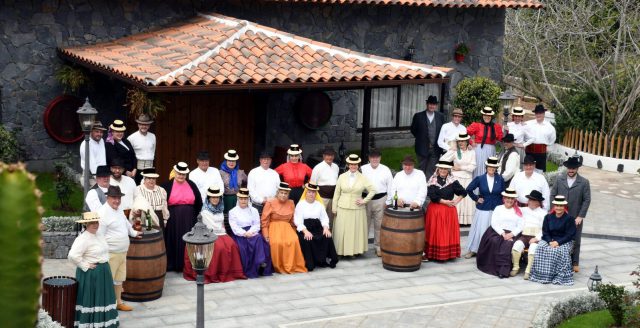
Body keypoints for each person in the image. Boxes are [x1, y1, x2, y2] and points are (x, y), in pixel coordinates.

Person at [183, 187, 246, 283]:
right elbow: (209, 227)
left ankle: (231, 272)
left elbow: (221, 224)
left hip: (221, 232)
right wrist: (220, 232)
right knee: (219, 247)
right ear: (208, 198)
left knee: (232, 245)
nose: (215, 199)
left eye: (217, 197)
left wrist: (224, 232)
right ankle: (214, 274)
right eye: (213, 197)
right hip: (209, 234)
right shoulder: (204, 211)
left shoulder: (220, 209)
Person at [68, 212, 119, 327]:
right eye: (92, 222)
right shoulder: (83, 239)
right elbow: (72, 256)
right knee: (91, 299)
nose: (95, 224)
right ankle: (91, 323)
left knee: (103, 297)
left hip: (104, 272)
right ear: (86, 224)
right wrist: (85, 265)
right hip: (91, 274)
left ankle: (104, 322)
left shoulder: (99, 234)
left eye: (96, 222)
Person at [96, 186, 142, 311]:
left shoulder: (118, 210)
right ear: (107, 197)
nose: (117, 200)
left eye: (118, 198)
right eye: (114, 198)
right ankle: (106, 306)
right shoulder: (102, 213)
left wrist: (133, 233)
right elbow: (99, 236)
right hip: (110, 254)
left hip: (122, 253)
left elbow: (126, 224)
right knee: (107, 281)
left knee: (119, 280)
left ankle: (118, 302)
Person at [550, 156, 591, 273]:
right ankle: (560, 260)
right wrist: (554, 210)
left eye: (573, 168)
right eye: (569, 168)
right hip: (560, 215)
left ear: (577, 169)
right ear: (566, 168)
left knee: (576, 239)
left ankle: (575, 262)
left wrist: (580, 216)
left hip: (575, 216)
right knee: (559, 237)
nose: (571, 170)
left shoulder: (584, 182)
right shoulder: (559, 179)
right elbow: (552, 195)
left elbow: (587, 200)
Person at [161, 162, 203, 272]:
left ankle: (187, 265)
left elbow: (199, 201)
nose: (181, 176)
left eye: (183, 174)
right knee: (173, 240)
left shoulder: (192, 184)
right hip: (173, 219)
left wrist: (194, 215)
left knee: (188, 241)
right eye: (179, 174)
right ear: (175, 173)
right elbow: (162, 203)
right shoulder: (166, 186)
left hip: (189, 218)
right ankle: (173, 264)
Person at [331, 154, 376, 256]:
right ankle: (340, 251)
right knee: (342, 230)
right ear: (348, 165)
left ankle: (355, 251)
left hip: (357, 209)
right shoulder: (342, 177)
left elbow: (373, 190)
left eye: (355, 164)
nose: (353, 166)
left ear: (358, 165)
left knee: (354, 231)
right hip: (342, 207)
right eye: (351, 164)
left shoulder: (363, 178)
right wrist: (334, 207)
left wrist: (364, 200)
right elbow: (337, 193)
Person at [424, 160, 468, 261]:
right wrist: (444, 202)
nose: (443, 170)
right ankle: (433, 254)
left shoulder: (452, 181)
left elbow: (463, 192)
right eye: (441, 168)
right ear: (438, 169)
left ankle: (447, 255)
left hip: (448, 212)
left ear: (448, 170)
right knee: (435, 232)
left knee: (446, 232)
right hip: (435, 210)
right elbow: (432, 195)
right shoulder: (432, 180)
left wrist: (456, 201)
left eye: (445, 169)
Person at [529, 195, 577, 285]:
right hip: (550, 239)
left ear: (564, 207)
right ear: (554, 206)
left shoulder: (569, 219)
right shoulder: (548, 217)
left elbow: (570, 235)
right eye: (557, 205)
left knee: (558, 251)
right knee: (540, 248)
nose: (559, 208)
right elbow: (545, 232)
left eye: (561, 206)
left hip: (564, 241)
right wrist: (550, 241)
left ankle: (558, 276)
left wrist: (558, 242)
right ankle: (543, 276)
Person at [476, 188, 523, 278]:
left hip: (512, 233)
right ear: (504, 198)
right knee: (494, 242)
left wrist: (511, 234)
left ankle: (503, 270)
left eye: (512, 199)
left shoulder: (518, 210)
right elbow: (494, 223)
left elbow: (521, 225)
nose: (509, 200)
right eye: (507, 198)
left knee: (507, 244)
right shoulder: (498, 208)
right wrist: (502, 233)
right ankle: (493, 267)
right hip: (497, 231)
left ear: (514, 200)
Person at [261, 182, 307, 274]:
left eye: (285, 193)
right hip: (274, 226)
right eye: (281, 193)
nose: (283, 195)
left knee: (294, 240)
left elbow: (293, 220)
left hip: (287, 227)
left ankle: (292, 265)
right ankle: (278, 266)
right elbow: (264, 220)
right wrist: (265, 234)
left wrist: (294, 231)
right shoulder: (270, 202)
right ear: (277, 193)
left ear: (288, 195)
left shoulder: (291, 203)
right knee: (276, 243)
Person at [464, 157, 504, 259]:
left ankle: (491, 251)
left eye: (494, 167)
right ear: (486, 167)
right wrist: (476, 198)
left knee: (494, 230)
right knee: (479, 230)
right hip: (483, 209)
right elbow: (469, 189)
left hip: (496, 209)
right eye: (490, 166)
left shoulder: (500, 179)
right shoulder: (480, 178)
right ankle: (474, 250)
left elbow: (503, 193)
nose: (492, 168)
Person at [229, 188, 273, 278]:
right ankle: (259, 261)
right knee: (243, 247)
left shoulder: (254, 210)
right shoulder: (232, 212)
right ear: (238, 199)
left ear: (248, 199)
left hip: (252, 231)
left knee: (259, 239)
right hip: (239, 234)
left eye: (245, 199)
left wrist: (250, 232)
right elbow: (234, 227)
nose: (243, 201)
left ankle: (261, 262)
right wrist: (244, 233)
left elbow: (257, 224)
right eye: (241, 199)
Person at [294, 182, 339, 271]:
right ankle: (311, 262)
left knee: (327, 236)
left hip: (318, 227)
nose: (311, 194)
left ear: (316, 194)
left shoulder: (319, 204)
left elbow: (324, 218)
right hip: (305, 228)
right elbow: (298, 221)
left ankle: (323, 260)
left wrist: (326, 228)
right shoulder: (300, 204)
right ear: (306, 193)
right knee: (307, 239)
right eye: (309, 192)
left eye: (314, 192)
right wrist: (305, 231)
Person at [360, 148, 394, 257]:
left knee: (379, 225)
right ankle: (362, 247)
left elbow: (391, 186)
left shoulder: (385, 169)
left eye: (377, 157)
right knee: (364, 224)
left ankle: (378, 246)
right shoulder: (362, 169)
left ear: (380, 158)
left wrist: (388, 201)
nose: (375, 159)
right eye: (372, 157)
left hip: (381, 200)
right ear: (369, 158)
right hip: (365, 200)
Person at [440, 133, 476, 225]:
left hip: (467, 178)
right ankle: (456, 220)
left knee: (467, 198)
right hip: (456, 178)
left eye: (463, 141)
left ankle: (467, 221)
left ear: (467, 142)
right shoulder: (455, 151)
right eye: (459, 141)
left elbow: (472, 167)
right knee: (457, 198)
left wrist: (460, 168)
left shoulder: (472, 152)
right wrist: (451, 150)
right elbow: (442, 160)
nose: (461, 143)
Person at [511, 190, 546, 279]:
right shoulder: (523, 210)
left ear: (539, 202)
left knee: (533, 249)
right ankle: (516, 267)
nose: (531, 202)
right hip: (524, 235)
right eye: (530, 200)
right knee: (516, 246)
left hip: (535, 236)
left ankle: (528, 270)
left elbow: (544, 229)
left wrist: (537, 238)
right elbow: (513, 208)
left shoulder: (543, 213)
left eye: (534, 200)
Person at [410, 95, 445, 177]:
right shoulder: (418, 116)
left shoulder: (440, 116)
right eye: (430, 104)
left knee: (432, 169)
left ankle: (428, 187)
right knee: (421, 169)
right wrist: (421, 139)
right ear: (427, 104)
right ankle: (420, 186)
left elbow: (443, 131)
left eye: (434, 104)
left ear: (436, 106)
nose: (432, 106)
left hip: (436, 148)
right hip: (422, 147)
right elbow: (413, 130)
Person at [466, 107, 504, 178]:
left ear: (491, 117)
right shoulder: (476, 125)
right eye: (485, 115)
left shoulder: (496, 127)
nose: (487, 117)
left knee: (490, 168)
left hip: (491, 150)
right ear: (482, 115)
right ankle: (476, 188)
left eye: (489, 116)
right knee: (478, 168)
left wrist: (506, 130)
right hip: (479, 150)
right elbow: (465, 133)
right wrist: (470, 142)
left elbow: (501, 138)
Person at [310, 146, 339, 226]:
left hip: (333, 198)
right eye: (327, 155)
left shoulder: (336, 167)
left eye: (331, 155)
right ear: (323, 156)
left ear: (334, 156)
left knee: (332, 218)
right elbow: (312, 183)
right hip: (321, 197)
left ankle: (330, 236)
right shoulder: (317, 168)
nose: (329, 157)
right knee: (320, 217)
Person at [523, 104, 556, 172]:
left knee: (540, 173)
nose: (538, 115)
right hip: (529, 152)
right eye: (537, 113)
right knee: (528, 171)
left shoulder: (550, 127)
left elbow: (552, 140)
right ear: (535, 114)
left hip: (541, 154)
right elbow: (519, 129)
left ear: (544, 114)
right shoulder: (528, 124)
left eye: (540, 113)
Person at [126, 114, 156, 184]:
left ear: (149, 125)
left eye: (146, 124)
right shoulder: (131, 138)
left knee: (150, 187)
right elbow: (129, 156)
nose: (144, 126)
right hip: (138, 168)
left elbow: (153, 151)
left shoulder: (153, 136)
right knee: (138, 188)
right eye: (141, 124)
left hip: (150, 167)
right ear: (138, 125)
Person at [220, 150, 247, 214]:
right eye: (229, 161)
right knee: (226, 217)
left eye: (233, 161)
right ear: (226, 161)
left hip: (238, 199)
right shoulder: (220, 173)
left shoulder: (241, 173)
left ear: (236, 162)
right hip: (225, 199)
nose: (231, 163)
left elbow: (246, 183)